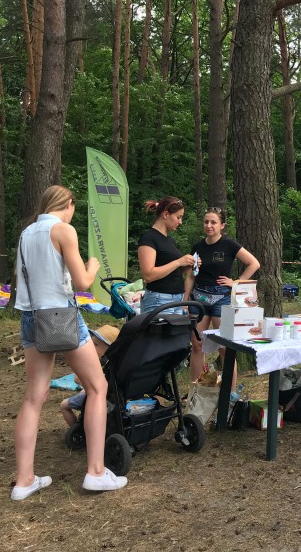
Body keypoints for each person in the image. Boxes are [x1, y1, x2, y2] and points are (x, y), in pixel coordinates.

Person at [13, 185, 127, 500]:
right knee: (97, 387)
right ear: (69, 205)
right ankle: (95, 472)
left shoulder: (26, 234)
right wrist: (93, 264)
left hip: (31, 316)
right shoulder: (64, 230)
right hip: (62, 316)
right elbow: (83, 282)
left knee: (33, 398)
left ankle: (23, 480)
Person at [185, 207, 260, 384]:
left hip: (222, 300)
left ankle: (230, 394)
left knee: (225, 348)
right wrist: (185, 297)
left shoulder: (229, 245)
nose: (209, 225)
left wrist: (236, 282)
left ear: (222, 225)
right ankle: (196, 391)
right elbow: (191, 275)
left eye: (213, 222)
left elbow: (254, 263)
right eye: (206, 222)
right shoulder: (198, 247)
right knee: (197, 346)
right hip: (199, 299)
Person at [138, 197, 195, 314]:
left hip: (177, 299)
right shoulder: (149, 238)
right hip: (159, 300)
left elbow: (172, 272)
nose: (180, 222)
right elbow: (148, 275)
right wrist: (178, 262)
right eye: (178, 217)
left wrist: (188, 265)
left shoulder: (169, 240)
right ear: (166, 214)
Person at [59, 325, 120, 426]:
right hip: (114, 397)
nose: (91, 346)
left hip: (100, 397)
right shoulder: (118, 363)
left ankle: (78, 432)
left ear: (109, 349)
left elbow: (77, 380)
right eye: (91, 342)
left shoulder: (97, 363)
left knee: (64, 405)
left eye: (95, 344)